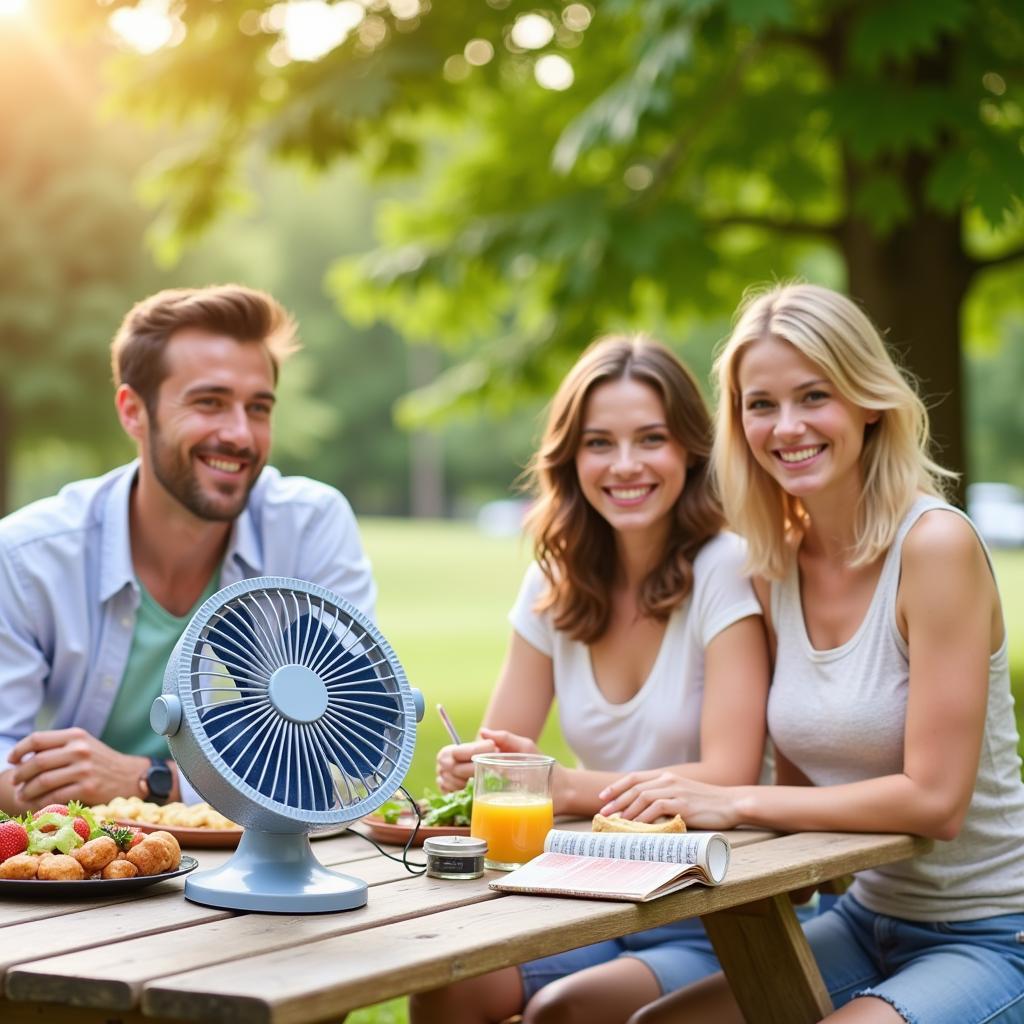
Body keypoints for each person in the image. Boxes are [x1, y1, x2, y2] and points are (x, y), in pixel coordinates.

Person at [596, 284, 1024, 1024]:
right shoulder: (774, 568)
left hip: (990, 933)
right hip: (864, 916)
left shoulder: (935, 547)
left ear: (867, 402)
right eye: (761, 404)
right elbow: (797, 814)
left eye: (813, 396)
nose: (786, 426)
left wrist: (731, 800)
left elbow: (935, 802)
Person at [410, 335, 771, 1024]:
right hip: (589, 892)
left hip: (705, 909)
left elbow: (730, 770)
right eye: (600, 442)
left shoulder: (725, 566)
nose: (625, 465)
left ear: (690, 451)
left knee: (565, 1011)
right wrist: (477, 768)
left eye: (651, 439)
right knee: (446, 989)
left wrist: (555, 784)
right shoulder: (554, 577)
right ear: (571, 458)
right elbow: (501, 754)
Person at [0, 284, 375, 813]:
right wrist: (52, 782)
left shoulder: (310, 526)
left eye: (259, 408)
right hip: (87, 869)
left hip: (257, 865)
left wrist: (151, 781)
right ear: (133, 411)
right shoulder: (26, 557)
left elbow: (346, 749)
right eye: (209, 403)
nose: (241, 435)